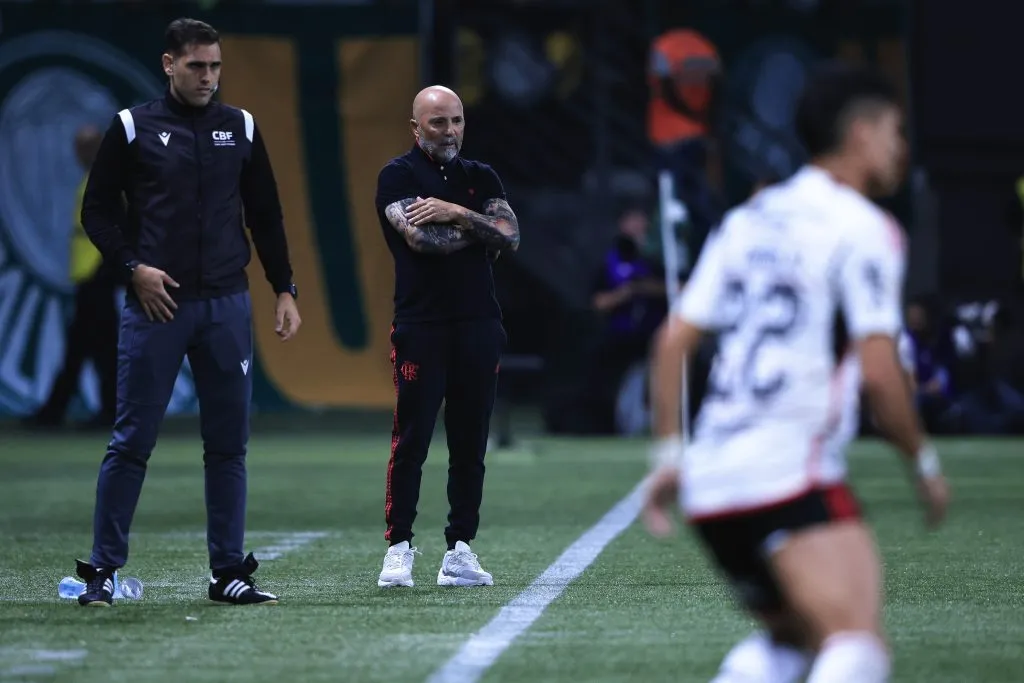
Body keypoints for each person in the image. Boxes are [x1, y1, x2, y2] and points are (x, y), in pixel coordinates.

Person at [642, 63, 950, 683]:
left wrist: (671, 456)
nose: (900, 147)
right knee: (855, 644)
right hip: (787, 470)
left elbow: (672, 340)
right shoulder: (866, 229)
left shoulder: (749, 217)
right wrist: (923, 463)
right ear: (861, 133)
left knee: (792, 643)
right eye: (893, 130)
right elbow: (882, 378)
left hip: (712, 478)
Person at [72, 17, 302, 607]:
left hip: (227, 304)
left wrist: (284, 288)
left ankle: (228, 572)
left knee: (228, 446)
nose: (209, 77)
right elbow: (98, 212)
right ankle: (102, 570)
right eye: (197, 66)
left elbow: (267, 215)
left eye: (216, 66)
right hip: (158, 304)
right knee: (131, 441)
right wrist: (132, 269)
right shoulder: (130, 127)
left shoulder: (242, 127)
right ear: (168, 64)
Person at [373, 85, 520, 588]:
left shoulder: (480, 176)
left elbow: (512, 236)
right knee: (411, 438)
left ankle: (460, 549)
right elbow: (422, 240)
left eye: (456, 120)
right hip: (421, 325)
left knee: (470, 442)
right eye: (438, 122)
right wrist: (482, 231)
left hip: (480, 323)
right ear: (416, 128)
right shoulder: (397, 175)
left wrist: (456, 212)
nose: (450, 131)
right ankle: (399, 547)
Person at [24, 124, 118, 430]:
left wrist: (108, 270)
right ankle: (61, 410)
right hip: (88, 275)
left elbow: (118, 226)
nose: (81, 153)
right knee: (86, 347)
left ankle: (68, 411)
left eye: (88, 146)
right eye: (79, 146)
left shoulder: (108, 179)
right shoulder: (94, 177)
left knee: (95, 349)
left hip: (97, 275)